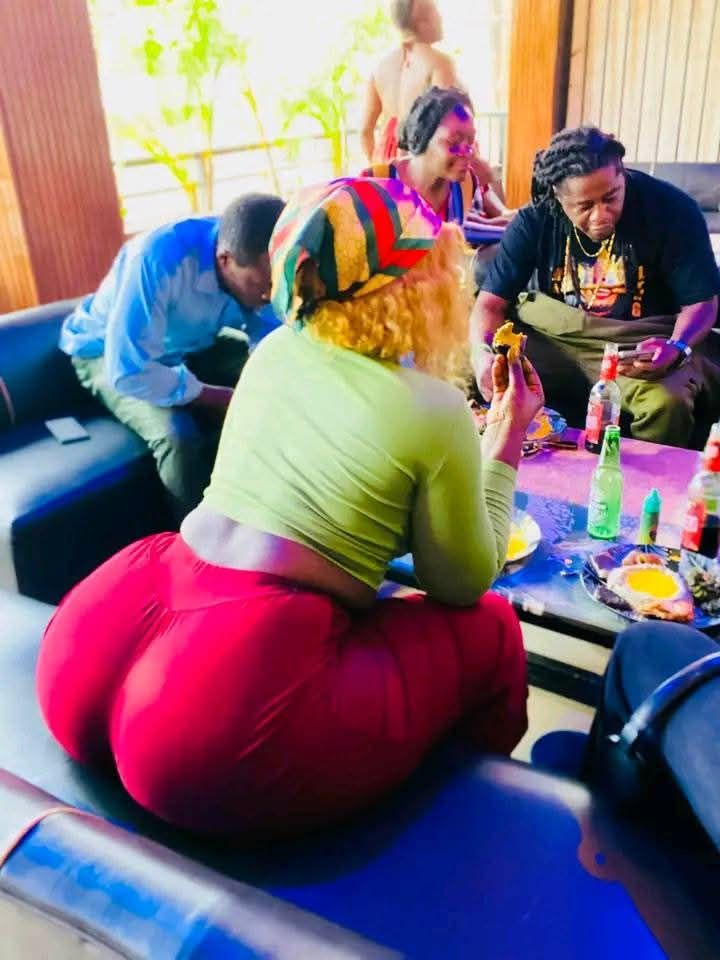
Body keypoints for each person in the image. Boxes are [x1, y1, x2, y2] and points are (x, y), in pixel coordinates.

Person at [37, 176, 543, 839]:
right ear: (422, 287)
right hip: (219, 702)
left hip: (99, 633)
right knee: (494, 628)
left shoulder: (274, 351)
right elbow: (463, 582)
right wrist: (505, 440)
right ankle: (472, 823)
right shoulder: (435, 409)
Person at [471, 126, 720, 447]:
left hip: (636, 346)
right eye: (585, 206)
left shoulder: (672, 211)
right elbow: (490, 303)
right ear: (559, 198)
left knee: (665, 403)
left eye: (611, 197)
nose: (601, 215)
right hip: (556, 338)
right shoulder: (535, 218)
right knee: (466, 361)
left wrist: (678, 347)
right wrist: (481, 356)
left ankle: (637, 478)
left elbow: (702, 303)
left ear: (622, 175)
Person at [60, 193, 285, 521]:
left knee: (282, 383)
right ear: (225, 260)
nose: (269, 295)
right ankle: (191, 539)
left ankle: (274, 512)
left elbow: (269, 339)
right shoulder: (157, 259)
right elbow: (129, 369)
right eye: (261, 286)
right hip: (111, 353)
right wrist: (220, 397)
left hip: (188, 342)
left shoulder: (260, 263)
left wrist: (270, 382)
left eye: (276, 285)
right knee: (178, 437)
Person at [362, 86, 512, 228]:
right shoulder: (374, 184)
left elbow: (460, 237)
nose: (469, 152)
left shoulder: (463, 184)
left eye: (471, 140)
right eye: (454, 141)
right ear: (423, 136)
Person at [360, 0, 458, 164]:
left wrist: (376, 166)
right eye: (436, 12)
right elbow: (447, 126)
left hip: (386, 163)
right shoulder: (439, 63)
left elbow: (365, 131)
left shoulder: (379, 68)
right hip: (420, 164)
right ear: (422, 22)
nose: (441, 18)